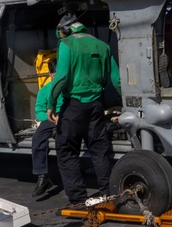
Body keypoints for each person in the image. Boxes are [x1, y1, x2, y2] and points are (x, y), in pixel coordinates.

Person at [47, 14, 122, 205]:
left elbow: (61, 77)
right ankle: (108, 195)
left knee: (67, 151)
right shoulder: (103, 46)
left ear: (66, 30)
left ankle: (78, 199)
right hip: (97, 105)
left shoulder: (67, 44)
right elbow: (116, 79)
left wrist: (51, 104)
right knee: (99, 151)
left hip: (73, 107)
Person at [30, 67, 60, 199]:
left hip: (67, 118)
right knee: (38, 138)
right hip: (50, 119)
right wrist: (51, 118)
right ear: (50, 74)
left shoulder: (69, 88)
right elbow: (39, 111)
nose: (57, 76)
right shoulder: (45, 90)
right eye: (55, 74)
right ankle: (42, 176)